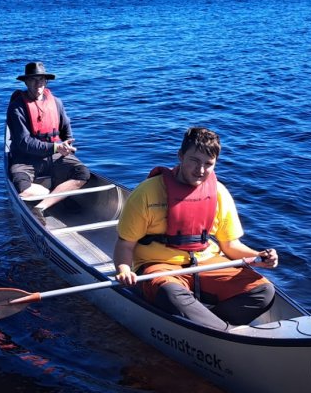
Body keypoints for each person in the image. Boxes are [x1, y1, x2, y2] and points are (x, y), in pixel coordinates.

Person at [113, 126, 279, 329]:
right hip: (160, 265)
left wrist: (258, 257)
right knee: (170, 293)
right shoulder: (147, 193)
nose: (200, 170)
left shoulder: (219, 193)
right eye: (194, 160)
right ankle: (220, 332)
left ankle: (206, 325)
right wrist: (123, 269)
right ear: (181, 156)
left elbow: (230, 245)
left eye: (208, 164)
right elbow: (125, 244)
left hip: (206, 262)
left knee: (263, 291)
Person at [6, 61, 90, 217]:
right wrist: (56, 147)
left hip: (54, 155)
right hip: (26, 159)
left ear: (46, 82)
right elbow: (24, 142)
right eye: (33, 79)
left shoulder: (56, 102)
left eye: (41, 79)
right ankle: (56, 195)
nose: (38, 83)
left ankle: (40, 207)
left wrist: (67, 147)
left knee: (83, 173)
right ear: (26, 82)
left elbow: (66, 129)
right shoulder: (16, 107)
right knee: (22, 189)